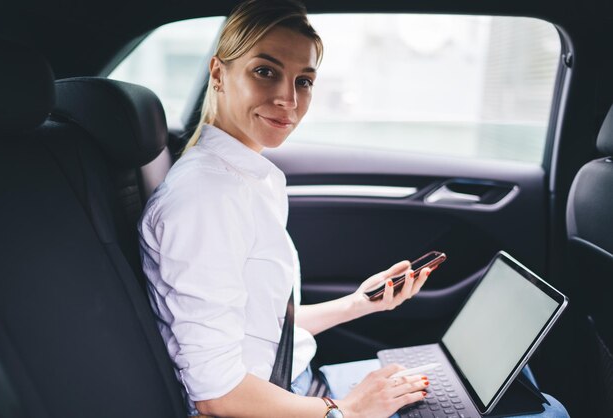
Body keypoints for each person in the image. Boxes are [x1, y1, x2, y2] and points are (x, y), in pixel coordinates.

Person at [138, 1, 569, 417]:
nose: (288, 98)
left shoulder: (245, 178)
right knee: (547, 412)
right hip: (279, 404)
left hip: (295, 386)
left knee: (506, 386)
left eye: (303, 80)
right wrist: (346, 410)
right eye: (265, 72)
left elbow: (263, 329)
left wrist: (361, 304)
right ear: (219, 73)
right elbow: (217, 395)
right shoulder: (206, 198)